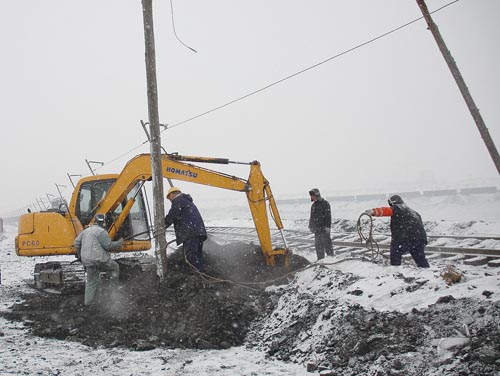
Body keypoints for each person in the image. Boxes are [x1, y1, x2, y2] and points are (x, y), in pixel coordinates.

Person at [364, 194, 430, 268]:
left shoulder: (398, 207)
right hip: (420, 239)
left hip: (406, 238)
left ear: (393, 203)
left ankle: (395, 271)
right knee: (419, 257)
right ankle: (426, 272)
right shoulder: (414, 212)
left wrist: (373, 211)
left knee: (395, 253)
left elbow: (386, 211)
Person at [74, 213, 123, 306]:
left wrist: (80, 255)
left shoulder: (86, 231)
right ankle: (113, 292)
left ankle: (88, 303)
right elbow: (108, 246)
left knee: (91, 282)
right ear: (104, 222)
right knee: (115, 267)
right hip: (99, 259)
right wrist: (119, 243)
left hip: (87, 261)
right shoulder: (101, 231)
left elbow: (76, 243)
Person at [164, 187, 207, 271]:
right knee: (198, 255)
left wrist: (162, 225)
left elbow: (172, 215)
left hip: (190, 233)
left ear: (172, 194)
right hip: (199, 232)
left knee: (191, 256)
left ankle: (198, 274)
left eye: (169, 198)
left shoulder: (177, 200)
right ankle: (202, 273)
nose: (170, 201)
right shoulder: (187, 201)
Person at [308, 188, 334, 260]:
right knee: (318, 245)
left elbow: (328, 216)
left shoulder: (325, 204)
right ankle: (320, 259)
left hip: (324, 229)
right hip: (317, 230)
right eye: (311, 196)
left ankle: (331, 258)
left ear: (317, 195)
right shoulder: (313, 206)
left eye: (312, 195)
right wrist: (311, 226)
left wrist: (328, 227)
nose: (311, 197)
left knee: (327, 244)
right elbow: (312, 217)